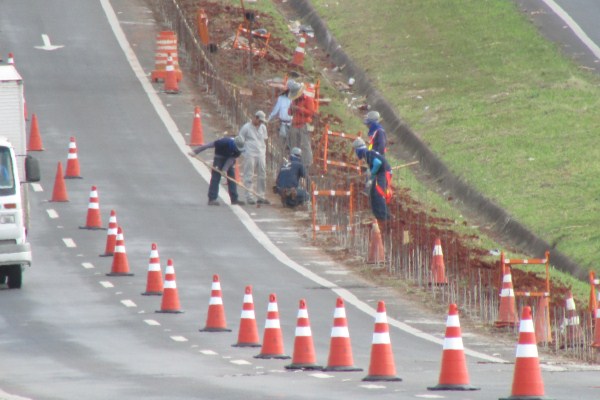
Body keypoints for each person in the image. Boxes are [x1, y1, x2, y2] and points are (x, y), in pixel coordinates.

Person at [188, 135, 246, 206]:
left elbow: (231, 159)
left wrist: (225, 169)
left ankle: (234, 199)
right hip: (219, 157)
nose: (238, 149)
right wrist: (195, 152)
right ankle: (212, 199)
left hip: (229, 159)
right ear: (234, 144)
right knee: (215, 178)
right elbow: (208, 145)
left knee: (231, 178)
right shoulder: (223, 142)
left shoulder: (239, 150)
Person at [352, 137, 392, 221]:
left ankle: (383, 217)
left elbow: (378, 163)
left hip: (384, 173)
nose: (356, 154)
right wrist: (371, 178)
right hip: (381, 173)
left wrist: (371, 175)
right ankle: (377, 215)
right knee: (373, 193)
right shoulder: (368, 154)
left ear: (358, 150)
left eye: (355, 151)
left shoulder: (367, 153)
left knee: (378, 193)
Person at [239, 110, 270, 205]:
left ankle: (261, 196)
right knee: (249, 175)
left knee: (262, 175)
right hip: (250, 153)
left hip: (261, 153)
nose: (260, 123)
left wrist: (265, 152)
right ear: (255, 118)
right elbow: (240, 141)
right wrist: (244, 152)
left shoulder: (263, 128)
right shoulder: (246, 128)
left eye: (262, 122)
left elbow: (264, 140)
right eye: (259, 121)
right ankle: (249, 196)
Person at [288, 81, 315, 169]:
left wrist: (299, 109)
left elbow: (311, 112)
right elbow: (289, 112)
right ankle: (294, 161)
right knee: (294, 144)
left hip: (304, 125)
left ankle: (307, 164)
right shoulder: (294, 101)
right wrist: (292, 109)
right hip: (295, 125)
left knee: (305, 145)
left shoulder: (308, 100)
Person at [268, 80, 294, 153]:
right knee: (283, 139)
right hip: (283, 123)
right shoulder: (281, 98)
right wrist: (269, 119)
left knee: (291, 142)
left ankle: (289, 154)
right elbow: (275, 110)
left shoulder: (294, 100)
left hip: (292, 124)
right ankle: (282, 154)